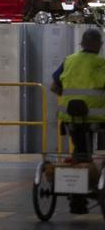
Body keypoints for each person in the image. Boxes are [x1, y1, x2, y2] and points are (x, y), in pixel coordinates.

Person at [52, 28, 105, 213]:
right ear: (99, 45)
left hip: (70, 117)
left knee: (81, 154)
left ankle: (77, 199)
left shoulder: (69, 61)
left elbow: (54, 86)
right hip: (98, 118)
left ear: (82, 44)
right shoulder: (101, 63)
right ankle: (99, 180)